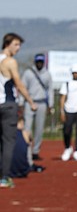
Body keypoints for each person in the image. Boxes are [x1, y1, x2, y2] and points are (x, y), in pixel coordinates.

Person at [1, 33, 38, 189]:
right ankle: (4, 178)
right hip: (8, 104)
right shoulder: (10, 62)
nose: (18, 48)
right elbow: (19, 84)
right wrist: (30, 101)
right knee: (8, 142)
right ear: (7, 44)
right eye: (16, 45)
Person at [21, 53, 52, 162]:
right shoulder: (28, 73)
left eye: (41, 62)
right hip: (29, 103)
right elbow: (23, 88)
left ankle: (35, 151)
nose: (39, 63)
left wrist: (50, 105)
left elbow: (50, 90)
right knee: (27, 129)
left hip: (42, 103)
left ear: (43, 62)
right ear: (35, 62)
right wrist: (21, 103)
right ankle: (26, 152)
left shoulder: (47, 74)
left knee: (39, 129)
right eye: (38, 61)